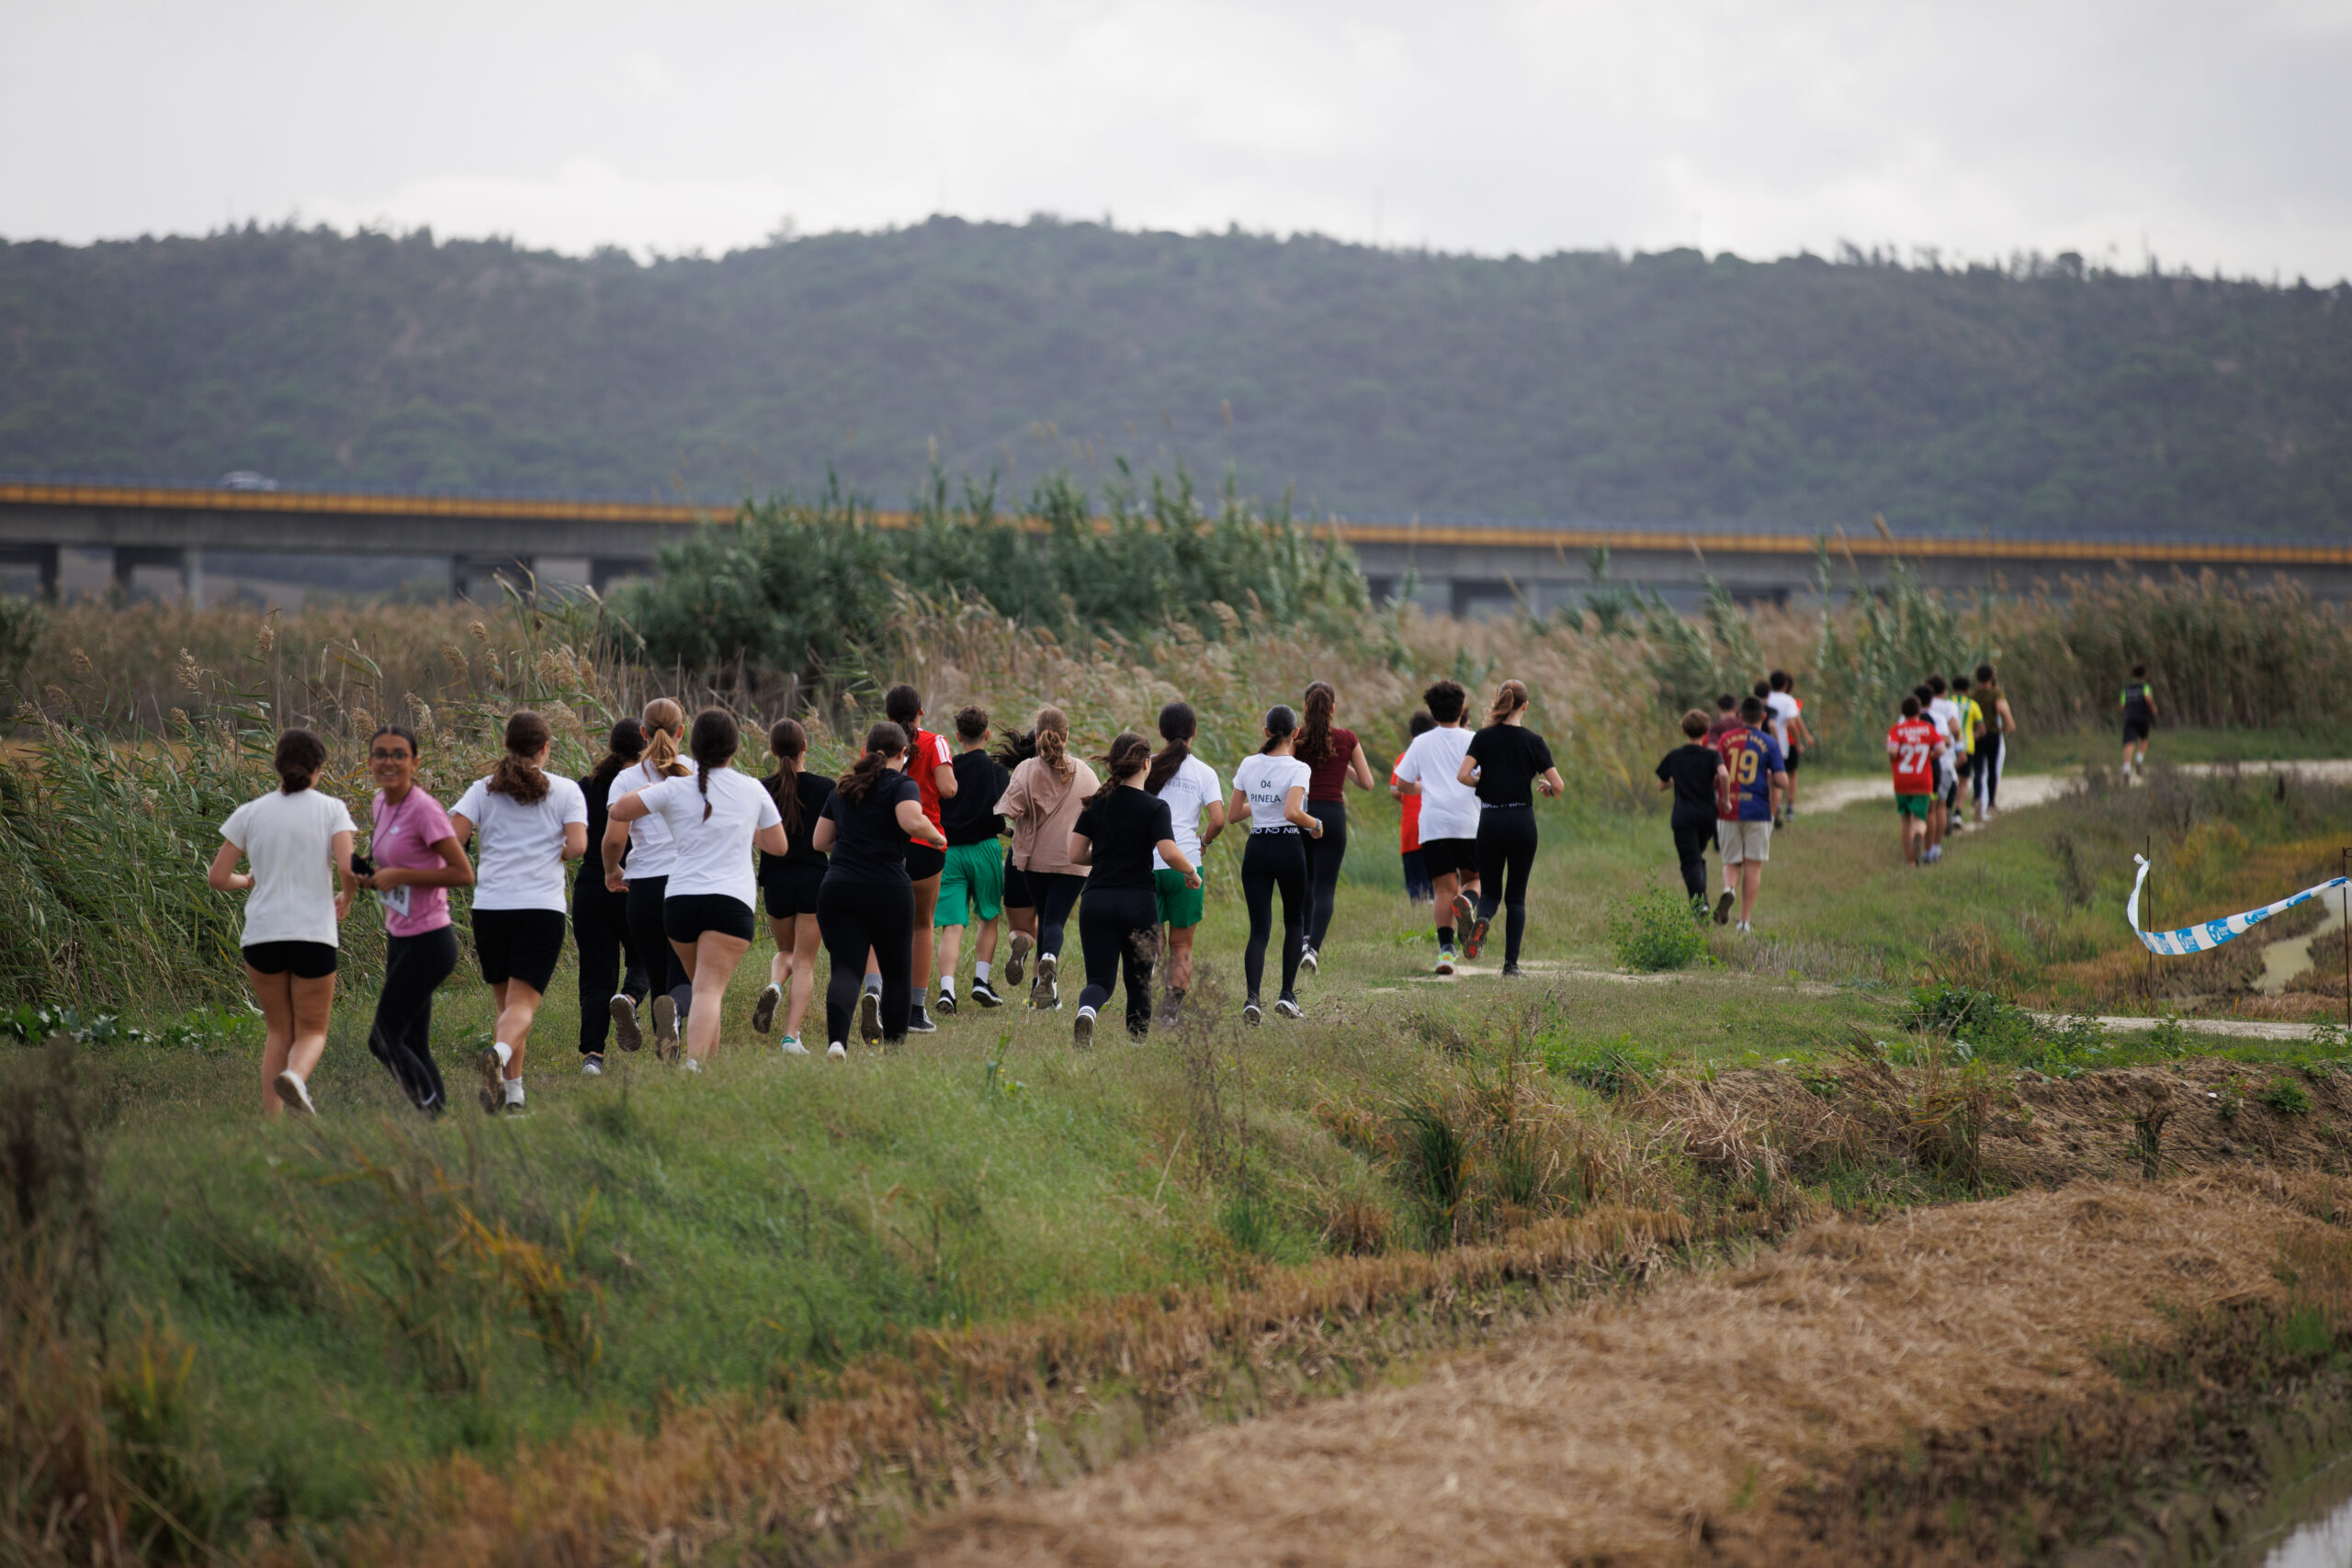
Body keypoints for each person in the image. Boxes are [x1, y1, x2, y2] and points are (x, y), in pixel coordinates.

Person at [608, 708, 786, 1070]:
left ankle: (703, 1066)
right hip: (729, 902)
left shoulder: (673, 788)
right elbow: (778, 845)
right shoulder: (751, 788)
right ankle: (693, 1065)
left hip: (680, 903)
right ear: (734, 748)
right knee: (707, 989)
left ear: (694, 744)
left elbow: (619, 810)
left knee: (703, 987)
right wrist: (741, 827)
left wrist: (656, 786)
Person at [207, 728, 357, 1117]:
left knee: (278, 1031)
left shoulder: (251, 812)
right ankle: (295, 1076)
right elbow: (347, 867)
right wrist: (347, 896)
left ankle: (272, 1128)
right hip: (313, 935)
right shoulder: (332, 809)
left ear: (276, 766)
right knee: (312, 1031)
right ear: (318, 769)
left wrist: (246, 880)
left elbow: (218, 878)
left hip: (262, 936)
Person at [451, 712, 588, 1114]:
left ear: (506, 745)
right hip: (539, 908)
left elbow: (452, 837)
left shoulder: (483, 790)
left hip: (491, 908)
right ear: (545, 748)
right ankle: (495, 1054)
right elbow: (578, 845)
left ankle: (513, 1094)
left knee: (508, 1008)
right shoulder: (565, 791)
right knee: (522, 1009)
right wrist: (559, 851)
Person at [810, 722, 947, 1055]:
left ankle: (837, 1045)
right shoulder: (902, 785)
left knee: (845, 969)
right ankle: (894, 1051)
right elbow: (911, 820)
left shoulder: (843, 787)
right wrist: (935, 836)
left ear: (868, 751)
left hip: (839, 888)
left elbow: (820, 841)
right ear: (904, 754)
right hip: (887, 889)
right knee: (897, 972)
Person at [356, 724, 474, 1108]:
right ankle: (438, 1124)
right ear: (371, 760)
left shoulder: (424, 809)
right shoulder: (380, 803)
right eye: (381, 754)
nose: (388, 762)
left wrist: (401, 876)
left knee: (383, 1038)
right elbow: (394, 866)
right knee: (412, 1042)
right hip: (400, 934)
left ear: (415, 761)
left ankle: (432, 1113)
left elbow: (462, 873)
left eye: (398, 754)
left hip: (431, 941)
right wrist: (372, 879)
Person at [1070, 732, 1200, 1044]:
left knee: (1100, 981)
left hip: (1096, 901)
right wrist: (1191, 870)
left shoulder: (1095, 803)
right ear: (1146, 764)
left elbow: (1074, 855)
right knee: (1138, 982)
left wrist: (1102, 856)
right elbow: (1169, 852)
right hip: (1138, 903)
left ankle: (1087, 1011)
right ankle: (1136, 1045)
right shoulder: (1155, 807)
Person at [1457, 680, 1565, 975]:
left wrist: (1485, 782)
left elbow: (1463, 775)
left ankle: (1482, 919)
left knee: (1490, 892)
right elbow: (1559, 785)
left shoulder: (1483, 737)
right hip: (1521, 822)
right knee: (1516, 897)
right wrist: (1547, 788)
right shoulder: (1534, 741)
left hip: (1490, 821)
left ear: (1500, 701)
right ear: (1525, 706)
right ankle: (1510, 966)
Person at [606, 698, 694, 1055]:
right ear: (681, 731)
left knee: (657, 976)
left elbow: (614, 838)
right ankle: (674, 1024)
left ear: (643, 733)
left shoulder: (626, 779)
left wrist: (613, 870)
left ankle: (667, 1058)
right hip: (687, 883)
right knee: (685, 976)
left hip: (643, 888)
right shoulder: (695, 770)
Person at [995, 706, 1098, 1009]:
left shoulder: (1026, 770)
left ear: (1038, 735)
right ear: (1066, 737)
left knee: (1043, 916)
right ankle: (1047, 974)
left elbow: (1008, 810)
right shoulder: (1086, 772)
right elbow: (1098, 814)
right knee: (1054, 920)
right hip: (1072, 862)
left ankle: (1044, 992)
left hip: (1034, 861)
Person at [1226, 705, 1321, 1021]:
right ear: (1296, 733)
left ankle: (1252, 1000)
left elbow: (1234, 814)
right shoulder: (1298, 768)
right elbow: (1294, 812)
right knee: (1294, 922)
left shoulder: (1248, 764)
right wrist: (1316, 824)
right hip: (1288, 846)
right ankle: (1287, 996)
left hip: (1257, 847)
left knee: (1259, 930)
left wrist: (1264, 803)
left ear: (1266, 732)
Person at [752, 717, 834, 1055]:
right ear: (805, 747)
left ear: (771, 749)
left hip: (776, 880)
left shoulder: (760, 788)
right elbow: (832, 839)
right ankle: (790, 1037)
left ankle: (774, 983)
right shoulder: (826, 786)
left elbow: (757, 838)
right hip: (815, 879)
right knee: (804, 962)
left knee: (786, 953)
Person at [572, 720, 649, 1077]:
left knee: (595, 975)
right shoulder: (647, 786)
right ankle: (630, 999)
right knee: (649, 955)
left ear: (609, 745)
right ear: (645, 744)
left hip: (590, 887)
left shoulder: (585, 786)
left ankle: (592, 1056)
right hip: (633, 882)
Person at [882, 685, 958, 1033]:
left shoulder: (878, 743)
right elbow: (948, 789)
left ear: (887, 716)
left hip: (887, 842)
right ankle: (914, 1009)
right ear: (921, 712)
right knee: (922, 924)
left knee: (882, 924)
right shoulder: (936, 742)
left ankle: (877, 996)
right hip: (926, 843)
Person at [1391, 679, 1479, 975]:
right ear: (1462, 708)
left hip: (1434, 824)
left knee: (1442, 890)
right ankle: (1466, 902)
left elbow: (1402, 784)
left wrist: (1424, 787)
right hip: (1469, 822)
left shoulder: (1421, 742)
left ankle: (1446, 953)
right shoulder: (1475, 740)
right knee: (1475, 879)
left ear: (1432, 711)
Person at [1147, 700, 1226, 1026]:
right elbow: (1218, 820)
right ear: (1194, 731)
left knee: (1152, 938)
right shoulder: (1205, 772)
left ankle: (1142, 993)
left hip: (1147, 863)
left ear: (1161, 732)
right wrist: (1203, 842)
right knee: (1183, 945)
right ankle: (1169, 1013)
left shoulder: (1146, 765)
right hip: (1186, 866)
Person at [1293, 681, 1374, 975]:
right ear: (1333, 709)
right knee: (1326, 888)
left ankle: (1303, 940)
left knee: (1306, 882)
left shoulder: (1296, 739)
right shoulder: (1347, 738)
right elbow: (1367, 783)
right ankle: (1313, 950)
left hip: (1301, 813)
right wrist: (1343, 765)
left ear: (1305, 707)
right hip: (1333, 817)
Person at [934, 705, 1012, 1014]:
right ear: (987, 734)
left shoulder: (948, 767)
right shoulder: (996, 771)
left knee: (952, 925)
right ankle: (981, 981)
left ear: (957, 735)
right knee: (988, 916)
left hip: (950, 852)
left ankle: (947, 990)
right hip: (985, 849)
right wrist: (1009, 831)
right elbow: (1000, 812)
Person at [1711, 695, 1787, 934]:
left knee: (1731, 861)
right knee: (1753, 865)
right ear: (1763, 717)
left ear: (1740, 716)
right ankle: (1744, 922)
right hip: (1758, 810)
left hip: (1728, 809)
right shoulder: (1769, 743)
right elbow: (1781, 780)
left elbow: (1715, 775)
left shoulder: (1725, 739)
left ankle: (1729, 889)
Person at [1655, 709, 1721, 915]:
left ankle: (1700, 904)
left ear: (1683, 730)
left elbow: (1661, 785)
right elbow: (1722, 775)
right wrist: (1725, 798)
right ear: (1706, 731)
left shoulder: (1675, 757)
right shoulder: (1712, 756)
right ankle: (1703, 901)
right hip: (1707, 816)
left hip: (1684, 817)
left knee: (1690, 862)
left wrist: (1678, 778)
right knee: (1697, 858)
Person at [991, 723, 1041, 993]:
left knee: (1019, 929)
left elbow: (1004, 814)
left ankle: (1019, 946)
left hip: (1019, 857)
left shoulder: (1017, 778)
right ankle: (1040, 985)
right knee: (1049, 926)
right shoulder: (1067, 774)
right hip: (1053, 860)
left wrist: (1012, 831)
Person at [1887, 694, 1945, 868]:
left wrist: (1894, 759)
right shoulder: (1928, 729)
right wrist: (1931, 755)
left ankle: (1910, 861)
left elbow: (1892, 751)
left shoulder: (1896, 730)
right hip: (1923, 781)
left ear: (1902, 712)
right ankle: (1920, 832)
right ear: (1919, 711)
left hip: (1902, 781)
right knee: (1919, 818)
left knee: (1905, 819)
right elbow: (1941, 748)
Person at [1394, 710, 1435, 902]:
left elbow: (1395, 789)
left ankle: (1418, 913)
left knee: (1415, 881)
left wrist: (1407, 795)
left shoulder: (1403, 758)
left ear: (1411, 735)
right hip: (1435, 826)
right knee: (1436, 879)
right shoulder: (1436, 757)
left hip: (1411, 827)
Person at [1765, 671, 1815, 825]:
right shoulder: (1788, 700)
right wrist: (1799, 742)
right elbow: (1793, 723)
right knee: (1786, 776)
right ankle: (1785, 807)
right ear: (1786, 685)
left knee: (1769, 777)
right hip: (1781, 745)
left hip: (1763, 744)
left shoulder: (1766, 698)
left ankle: (1774, 807)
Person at [1973, 663, 2015, 817]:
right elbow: (2004, 712)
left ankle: (1977, 797)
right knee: (1992, 769)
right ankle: (1991, 803)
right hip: (1992, 735)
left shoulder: (1973, 695)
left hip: (1976, 736)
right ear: (1992, 677)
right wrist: (2005, 726)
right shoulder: (1996, 694)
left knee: (1978, 769)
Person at [1925, 676, 1964, 839]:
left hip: (1924, 759)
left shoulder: (1922, 706)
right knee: (1942, 802)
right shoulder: (1948, 706)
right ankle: (1939, 839)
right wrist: (1960, 748)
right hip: (1944, 757)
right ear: (1945, 691)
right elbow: (1954, 727)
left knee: (1928, 803)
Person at [1915, 682, 1950, 861]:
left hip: (1912, 770)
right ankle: (1932, 850)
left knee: (1914, 812)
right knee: (1935, 808)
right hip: (1934, 767)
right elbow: (1946, 742)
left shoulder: (1905, 718)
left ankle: (1915, 852)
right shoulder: (1938, 718)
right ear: (1932, 700)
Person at [1949, 674, 1983, 829]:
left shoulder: (1948, 703)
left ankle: (1945, 809)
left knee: (1948, 779)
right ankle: (1958, 813)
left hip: (1949, 747)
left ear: (1953, 688)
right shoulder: (1973, 705)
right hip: (1967, 746)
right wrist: (1972, 736)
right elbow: (1982, 730)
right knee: (1963, 782)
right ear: (1967, 690)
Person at [2120, 664, 2157, 777]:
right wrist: (2153, 708)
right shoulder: (2145, 687)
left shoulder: (2126, 689)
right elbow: (2148, 698)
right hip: (2143, 717)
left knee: (2129, 743)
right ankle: (2139, 760)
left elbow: (2122, 706)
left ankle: (2126, 767)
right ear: (2144, 675)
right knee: (2144, 739)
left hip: (2129, 718)